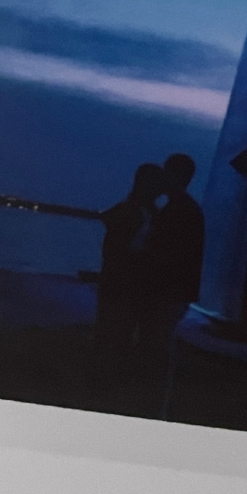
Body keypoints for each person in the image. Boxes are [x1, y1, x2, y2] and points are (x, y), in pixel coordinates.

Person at [142, 155, 206, 412]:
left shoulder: (176, 211)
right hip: (178, 293)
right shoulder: (189, 210)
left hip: (168, 293)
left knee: (155, 347)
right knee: (160, 345)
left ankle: (153, 404)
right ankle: (157, 403)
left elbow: (164, 254)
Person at [94, 163, 163, 383]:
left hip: (133, 283)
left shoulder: (146, 212)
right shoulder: (130, 211)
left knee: (122, 330)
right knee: (112, 329)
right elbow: (113, 250)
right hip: (121, 282)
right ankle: (104, 379)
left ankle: (112, 378)